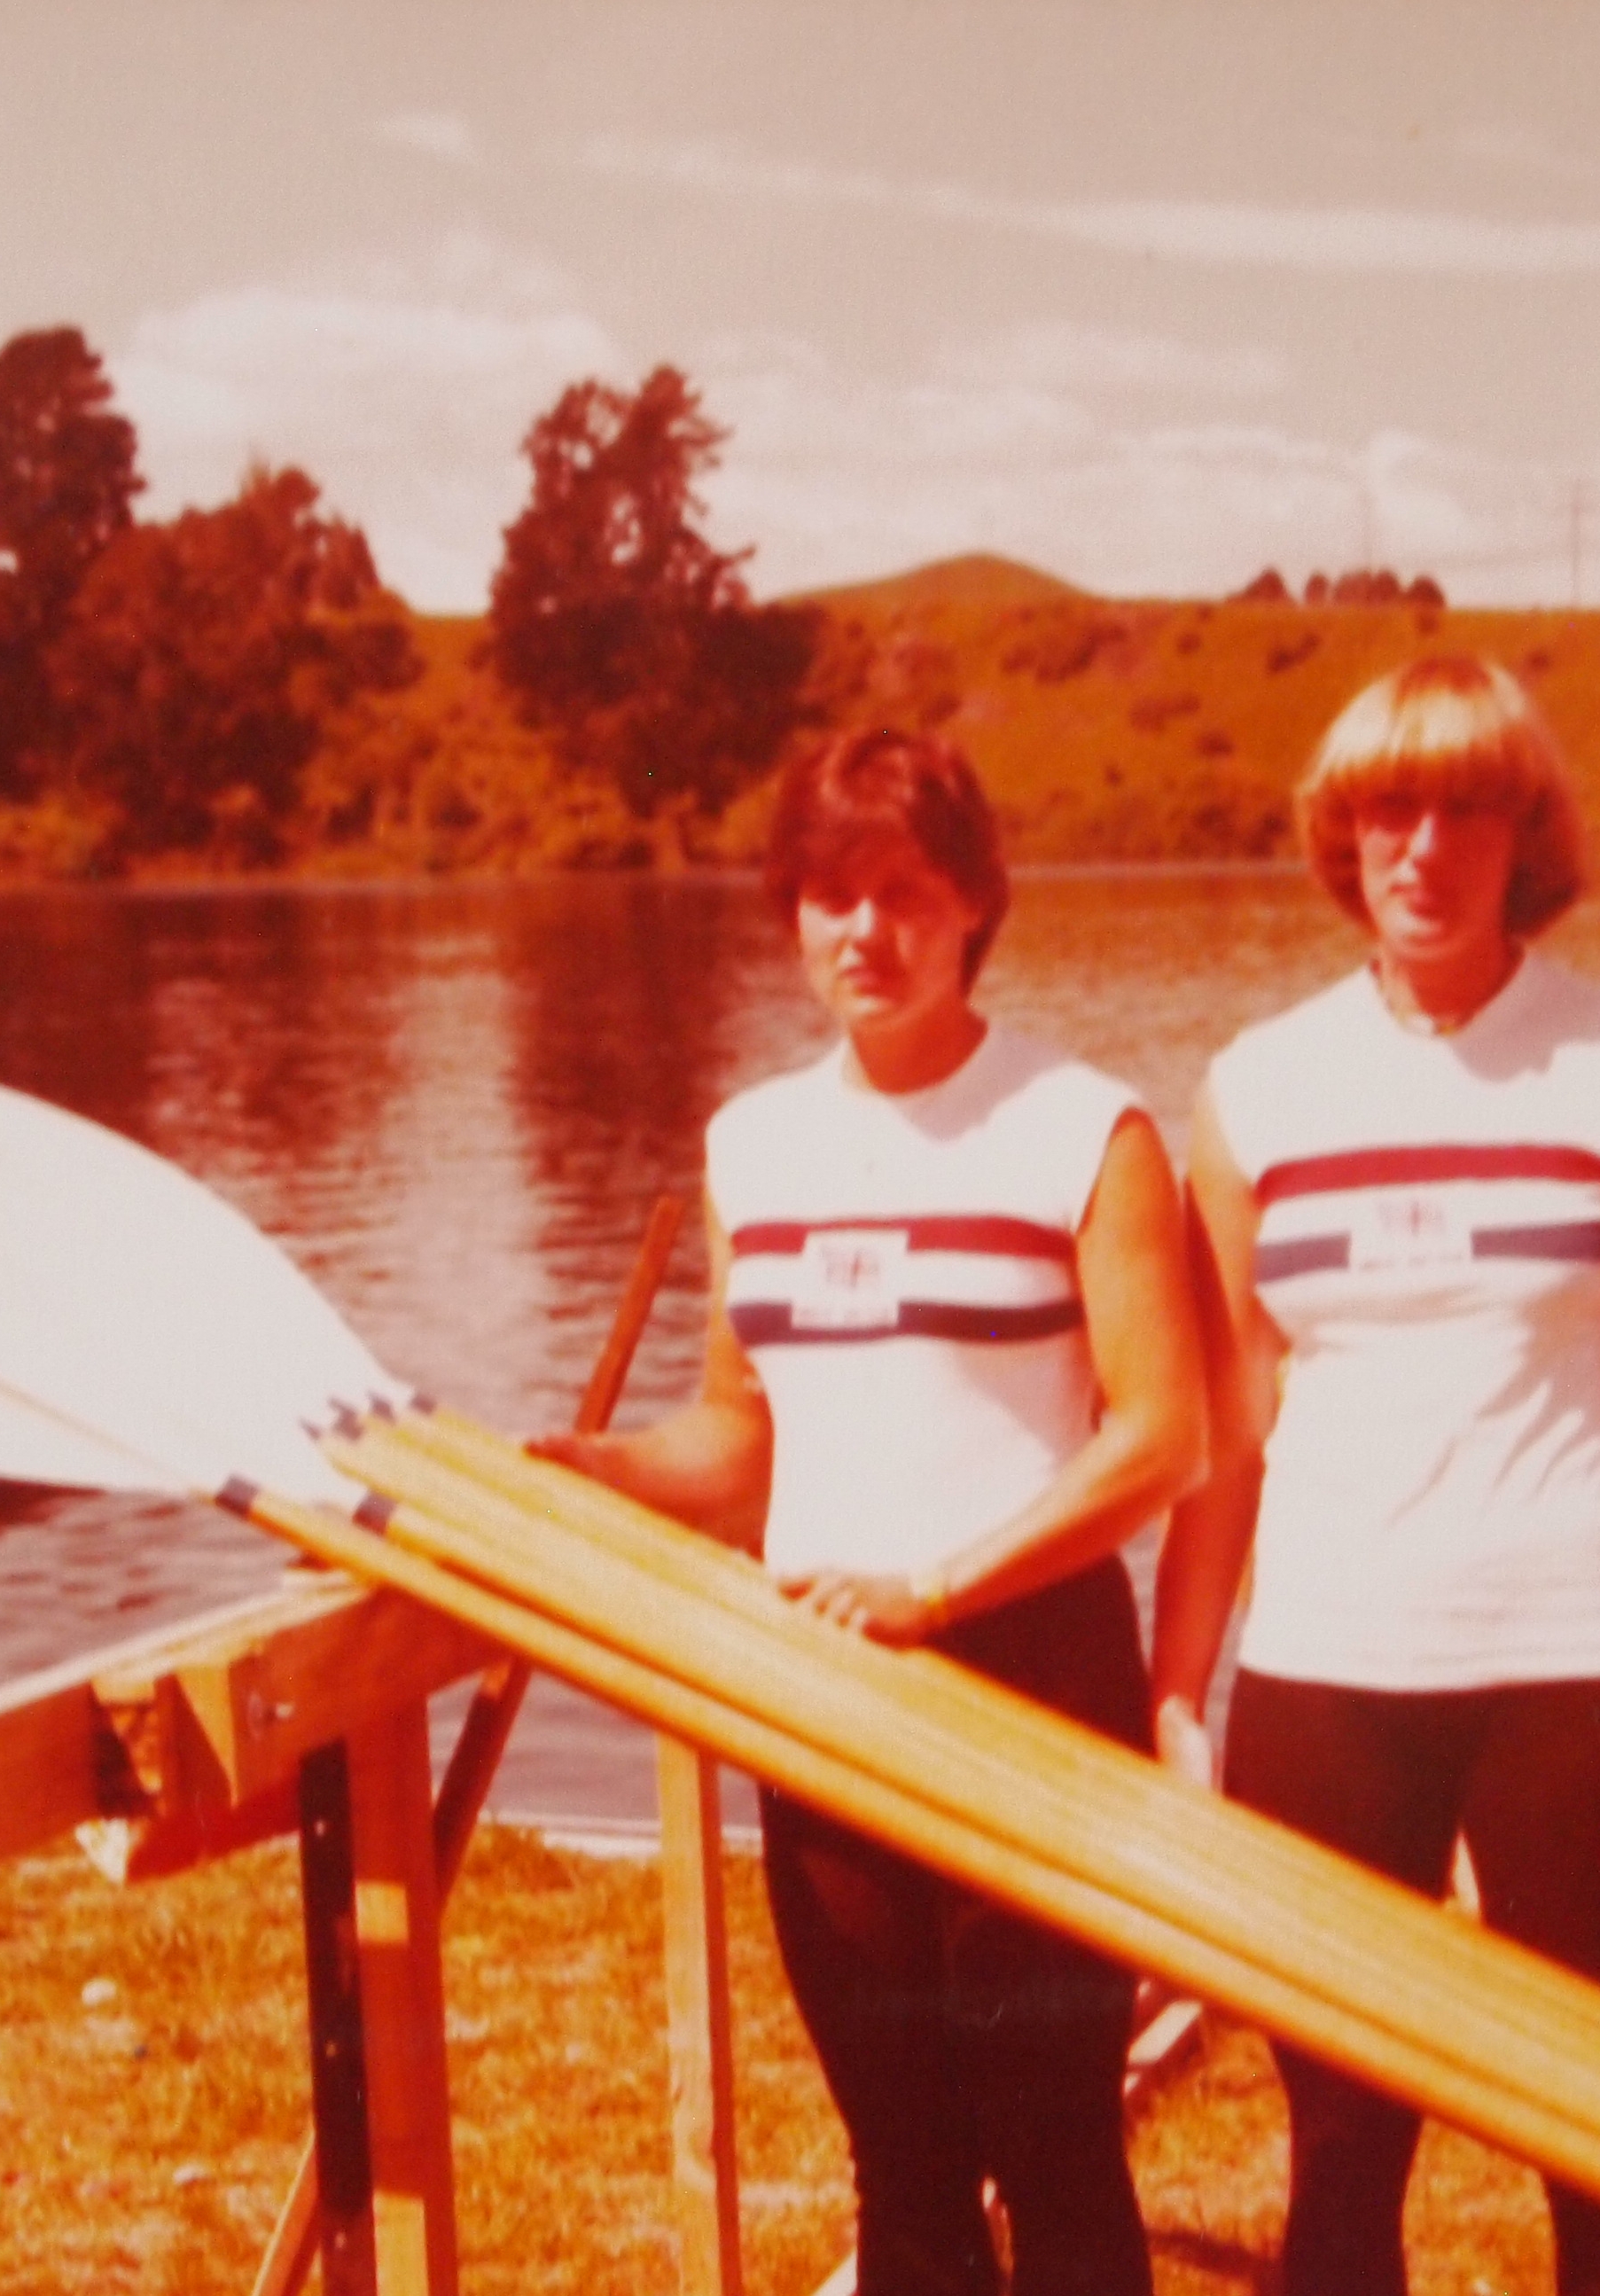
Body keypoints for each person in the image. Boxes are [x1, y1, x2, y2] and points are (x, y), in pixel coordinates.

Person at [534, 724, 1206, 2296]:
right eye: (828, 894)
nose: (865, 932)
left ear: (974, 902)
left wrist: (939, 1584)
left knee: (1049, 2139)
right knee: (894, 2150)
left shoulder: (1080, 1126)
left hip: (1035, 1679)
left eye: (904, 892)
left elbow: (1164, 1439)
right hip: (824, 1686)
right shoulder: (751, 1145)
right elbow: (736, 1441)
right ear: (787, 911)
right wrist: (591, 1474)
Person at [1150, 656, 1600, 2296]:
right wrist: (1177, 1691)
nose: (1418, 848)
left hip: (1573, 1662)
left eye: (1460, 809)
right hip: (1329, 1674)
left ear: (1524, 832)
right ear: (1337, 840)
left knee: (1598, 2141)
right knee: (1342, 2144)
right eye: (1381, 812)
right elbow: (1227, 1426)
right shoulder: (1254, 1088)